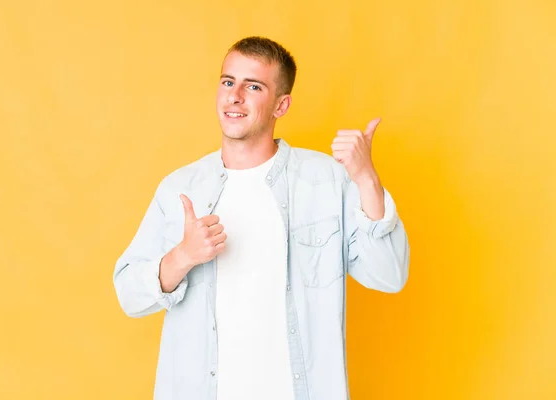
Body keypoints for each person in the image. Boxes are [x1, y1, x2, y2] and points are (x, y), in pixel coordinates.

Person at [113, 36, 410, 400]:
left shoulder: (328, 181)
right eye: (227, 82)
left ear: (281, 105)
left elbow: (389, 276)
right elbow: (129, 295)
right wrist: (183, 256)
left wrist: (367, 180)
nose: (234, 96)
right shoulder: (181, 188)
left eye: (253, 86)